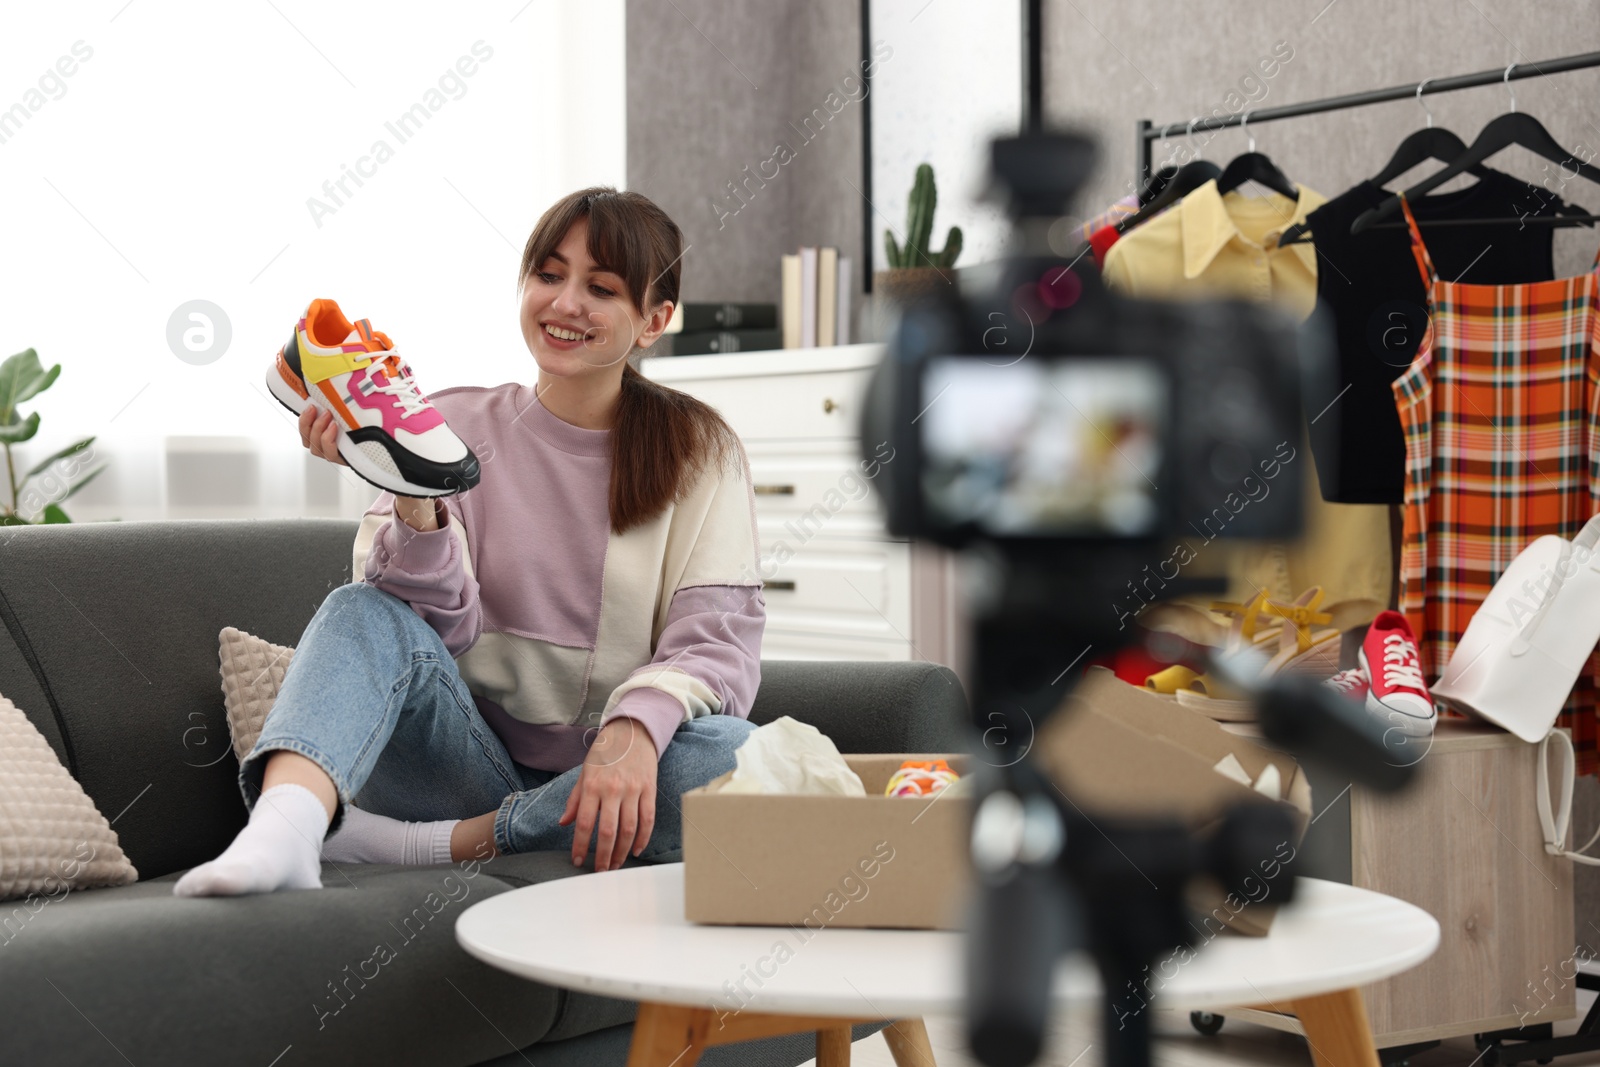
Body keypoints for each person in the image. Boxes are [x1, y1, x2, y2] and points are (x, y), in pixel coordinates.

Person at [174, 187, 764, 896]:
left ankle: (413, 845)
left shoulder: (703, 453)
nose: (566, 302)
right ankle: (285, 830)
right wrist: (413, 501)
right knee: (357, 609)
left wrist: (634, 729)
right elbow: (423, 637)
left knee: (735, 757)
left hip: (614, 784)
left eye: (600, 287)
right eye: (549, 276)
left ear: (654, 318)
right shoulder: (441, 429)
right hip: (453, 763)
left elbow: (717, 644)